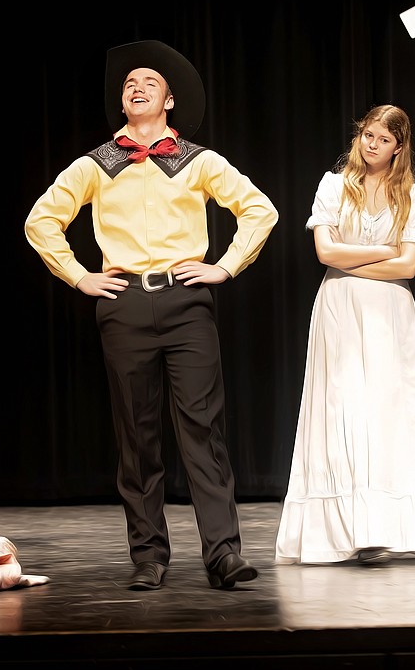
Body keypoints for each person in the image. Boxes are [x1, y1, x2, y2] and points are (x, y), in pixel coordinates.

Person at [25, 40, 279, 590]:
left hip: (186, 302)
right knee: (137, 436)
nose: (135, 88)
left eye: (148, 82)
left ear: (169, 100)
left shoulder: (197, 159)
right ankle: (148, 555)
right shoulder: (97, 163)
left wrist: (225, 266)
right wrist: (79, 275)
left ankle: (223, 554)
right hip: (125, 304)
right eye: (128, 84)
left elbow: (260, 209)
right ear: (123, 103)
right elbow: (41, 219)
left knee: (202, 429)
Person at [274, 104, 415, 565]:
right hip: (340, 309)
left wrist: (355, 257)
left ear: (398, 147)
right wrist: (381, 253)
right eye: (367, 135)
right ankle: (349, 530)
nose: (371, 145)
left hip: (391, 314)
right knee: (342, 408)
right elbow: (324, 253)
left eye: (382, 139)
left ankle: (393, 527)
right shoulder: (334, 185)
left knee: (397, 410)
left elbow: (409, 265)